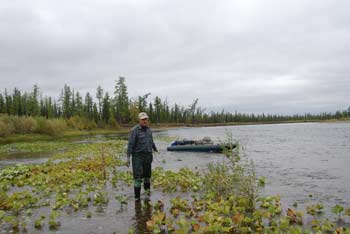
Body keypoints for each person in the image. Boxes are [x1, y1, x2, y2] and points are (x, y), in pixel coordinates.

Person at [127, 112, 158, 200]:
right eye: (143, 119)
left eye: (146, 119)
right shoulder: (134, 130)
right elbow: (130, 144)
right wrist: (128, 157)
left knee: (147, 177)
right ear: (139, 120)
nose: (145, 121)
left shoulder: (149, 130)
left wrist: (155, 148)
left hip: (148, 156)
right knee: (138, 178)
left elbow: (151, 141)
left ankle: (147, 196)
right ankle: (137, 198)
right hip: (137, 157)